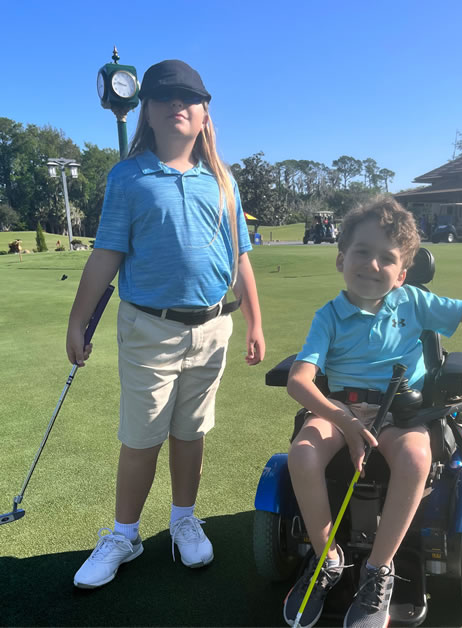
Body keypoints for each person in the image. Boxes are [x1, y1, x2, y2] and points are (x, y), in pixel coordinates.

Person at [66, 59, 265, 588]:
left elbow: (240, 257)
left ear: (204, 114)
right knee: (141, 436)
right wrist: (77, 320)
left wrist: (255, 323)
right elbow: (106, 254)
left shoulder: (223, 181)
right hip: (148, 329)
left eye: (189, 98)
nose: (177, 105)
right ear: (146, 113)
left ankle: (183, 519)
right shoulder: (128, 177)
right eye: (163, 98)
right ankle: (124, 534)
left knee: (190, 431)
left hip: (212, 329)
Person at [282, 197, 462, 628]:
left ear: (401, 275)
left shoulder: (414, 302)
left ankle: (379, 570)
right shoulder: (329, 317)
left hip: (401, 413)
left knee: (417, 458)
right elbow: (299, 381)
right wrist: (343, 420)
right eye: (362, 252)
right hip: (341, 408)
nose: (372, 265)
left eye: (387, 259)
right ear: (342, 258)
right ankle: (328, 558)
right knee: (302, 454)